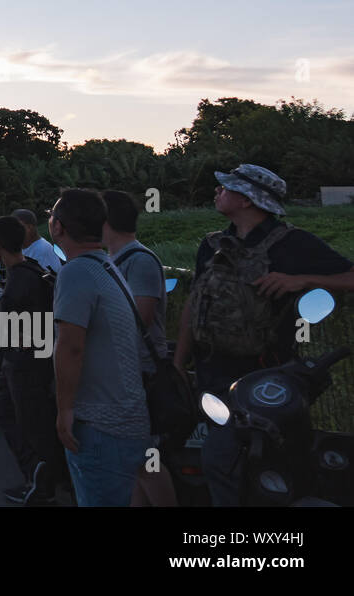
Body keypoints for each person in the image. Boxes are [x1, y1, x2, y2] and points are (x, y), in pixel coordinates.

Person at [173, 164, 354, 506]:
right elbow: (193, 305)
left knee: (244, 462)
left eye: (225, 188)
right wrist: (179, 363)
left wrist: (303, 280)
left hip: (266, 382)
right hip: (213, 376)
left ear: (246, 200)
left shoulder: (293, 244)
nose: (217, 192)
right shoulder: (212, 244)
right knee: (228, 463)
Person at [49, 189, 150, 507]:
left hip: (100, 423)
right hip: (125, 417)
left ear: (58, 228)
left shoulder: (76, 271)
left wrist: (65, 410)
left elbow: (71, 347)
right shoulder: (107, 266)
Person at [99, 190, 174, 507]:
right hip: (124, 371)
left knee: (146, 459)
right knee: (134, 462)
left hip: (140, 371)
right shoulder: (115, 260)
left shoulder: (139, 260)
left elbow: (138, 318)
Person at [0, 215, 64, 505]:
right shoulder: (34, 269)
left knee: (25, 419)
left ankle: (39, 479)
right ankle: (39, 473)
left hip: (23, 364)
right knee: (18, 415)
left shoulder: (19, 280)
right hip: (37, 358)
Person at [13, 209, 62, 276]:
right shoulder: (23, 248)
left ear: (29, 227)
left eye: (16, 227)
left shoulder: (42, 249)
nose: (13, 231)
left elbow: (49, 282)